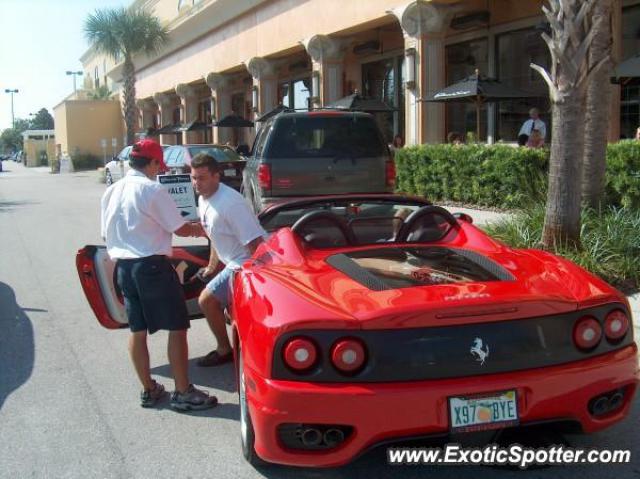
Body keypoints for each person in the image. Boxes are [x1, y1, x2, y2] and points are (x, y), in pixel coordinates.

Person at [101, 139, 217, 411]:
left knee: (137, 330)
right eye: (157, 165)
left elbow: (106, 234)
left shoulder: (112, 191)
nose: (158, 170)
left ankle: (149, 389)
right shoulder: (152, 190)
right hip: (151, 266)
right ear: (152, 163)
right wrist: (203, 228)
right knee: (177, 327)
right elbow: (180, 229)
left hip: (124, 269)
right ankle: (183, 391)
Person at [190, 153, 267, 367]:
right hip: (232, 260)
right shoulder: (203, 198)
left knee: (207, 300)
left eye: (202, 178)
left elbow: (256, 244)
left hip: (245, 262)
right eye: (194, 178)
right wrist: (212, 266)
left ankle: (224, 350)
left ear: (217, 176)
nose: (197, 183)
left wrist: (260, 282)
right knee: (221, 304)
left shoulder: (230, 203)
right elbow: (214, 234)